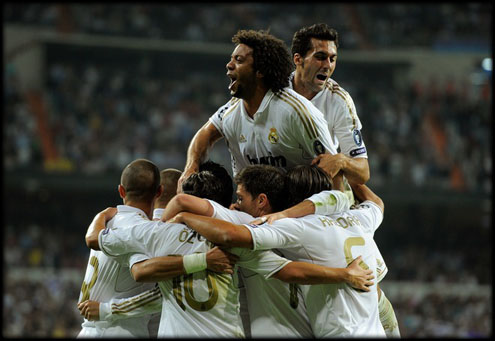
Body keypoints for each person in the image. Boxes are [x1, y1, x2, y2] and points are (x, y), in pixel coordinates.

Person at [86, 162, 374, 337]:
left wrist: (103, 218)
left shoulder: (153, 232)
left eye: (240, 197)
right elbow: (290, 271)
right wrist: (344, 274)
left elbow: (127, 262)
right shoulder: (249, 235)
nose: (236, 204)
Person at [169, 164, 386, 337]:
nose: (236, 204)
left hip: (337, 330)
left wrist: (180, 219)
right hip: (368, 325)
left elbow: (227, 232)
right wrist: (346, 165)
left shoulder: (281, 227)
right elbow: (369, 202)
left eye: (240, 198)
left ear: (262, 200)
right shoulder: (356, 218)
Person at [290, 23, 400, 338]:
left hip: (330, 203)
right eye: (320, 56)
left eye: (333, 58)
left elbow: (363, 171)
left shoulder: (338, 100)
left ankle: (388, 324)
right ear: (298, 59)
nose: (328, 65)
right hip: (290, 197)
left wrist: (340, 160)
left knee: (364, 283)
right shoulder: (276, 94)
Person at [77, 159, 235, 338]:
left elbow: (93, 239)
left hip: (91, 329)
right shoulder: (145, 229)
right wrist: (203, 260)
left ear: (121, 190)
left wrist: (101, 214)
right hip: (119, 329)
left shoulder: (110, 222)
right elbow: (143, 274)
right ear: (158, 192)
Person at [177, 29, 338, 192]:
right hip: (257, 207)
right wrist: (191, 167)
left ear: (260, 71)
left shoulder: (296, 111)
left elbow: (334, 170)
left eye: (238, 60)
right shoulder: (231, 111)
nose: (229, 65)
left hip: (303, 209)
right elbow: (206, 134)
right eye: (231, 59)